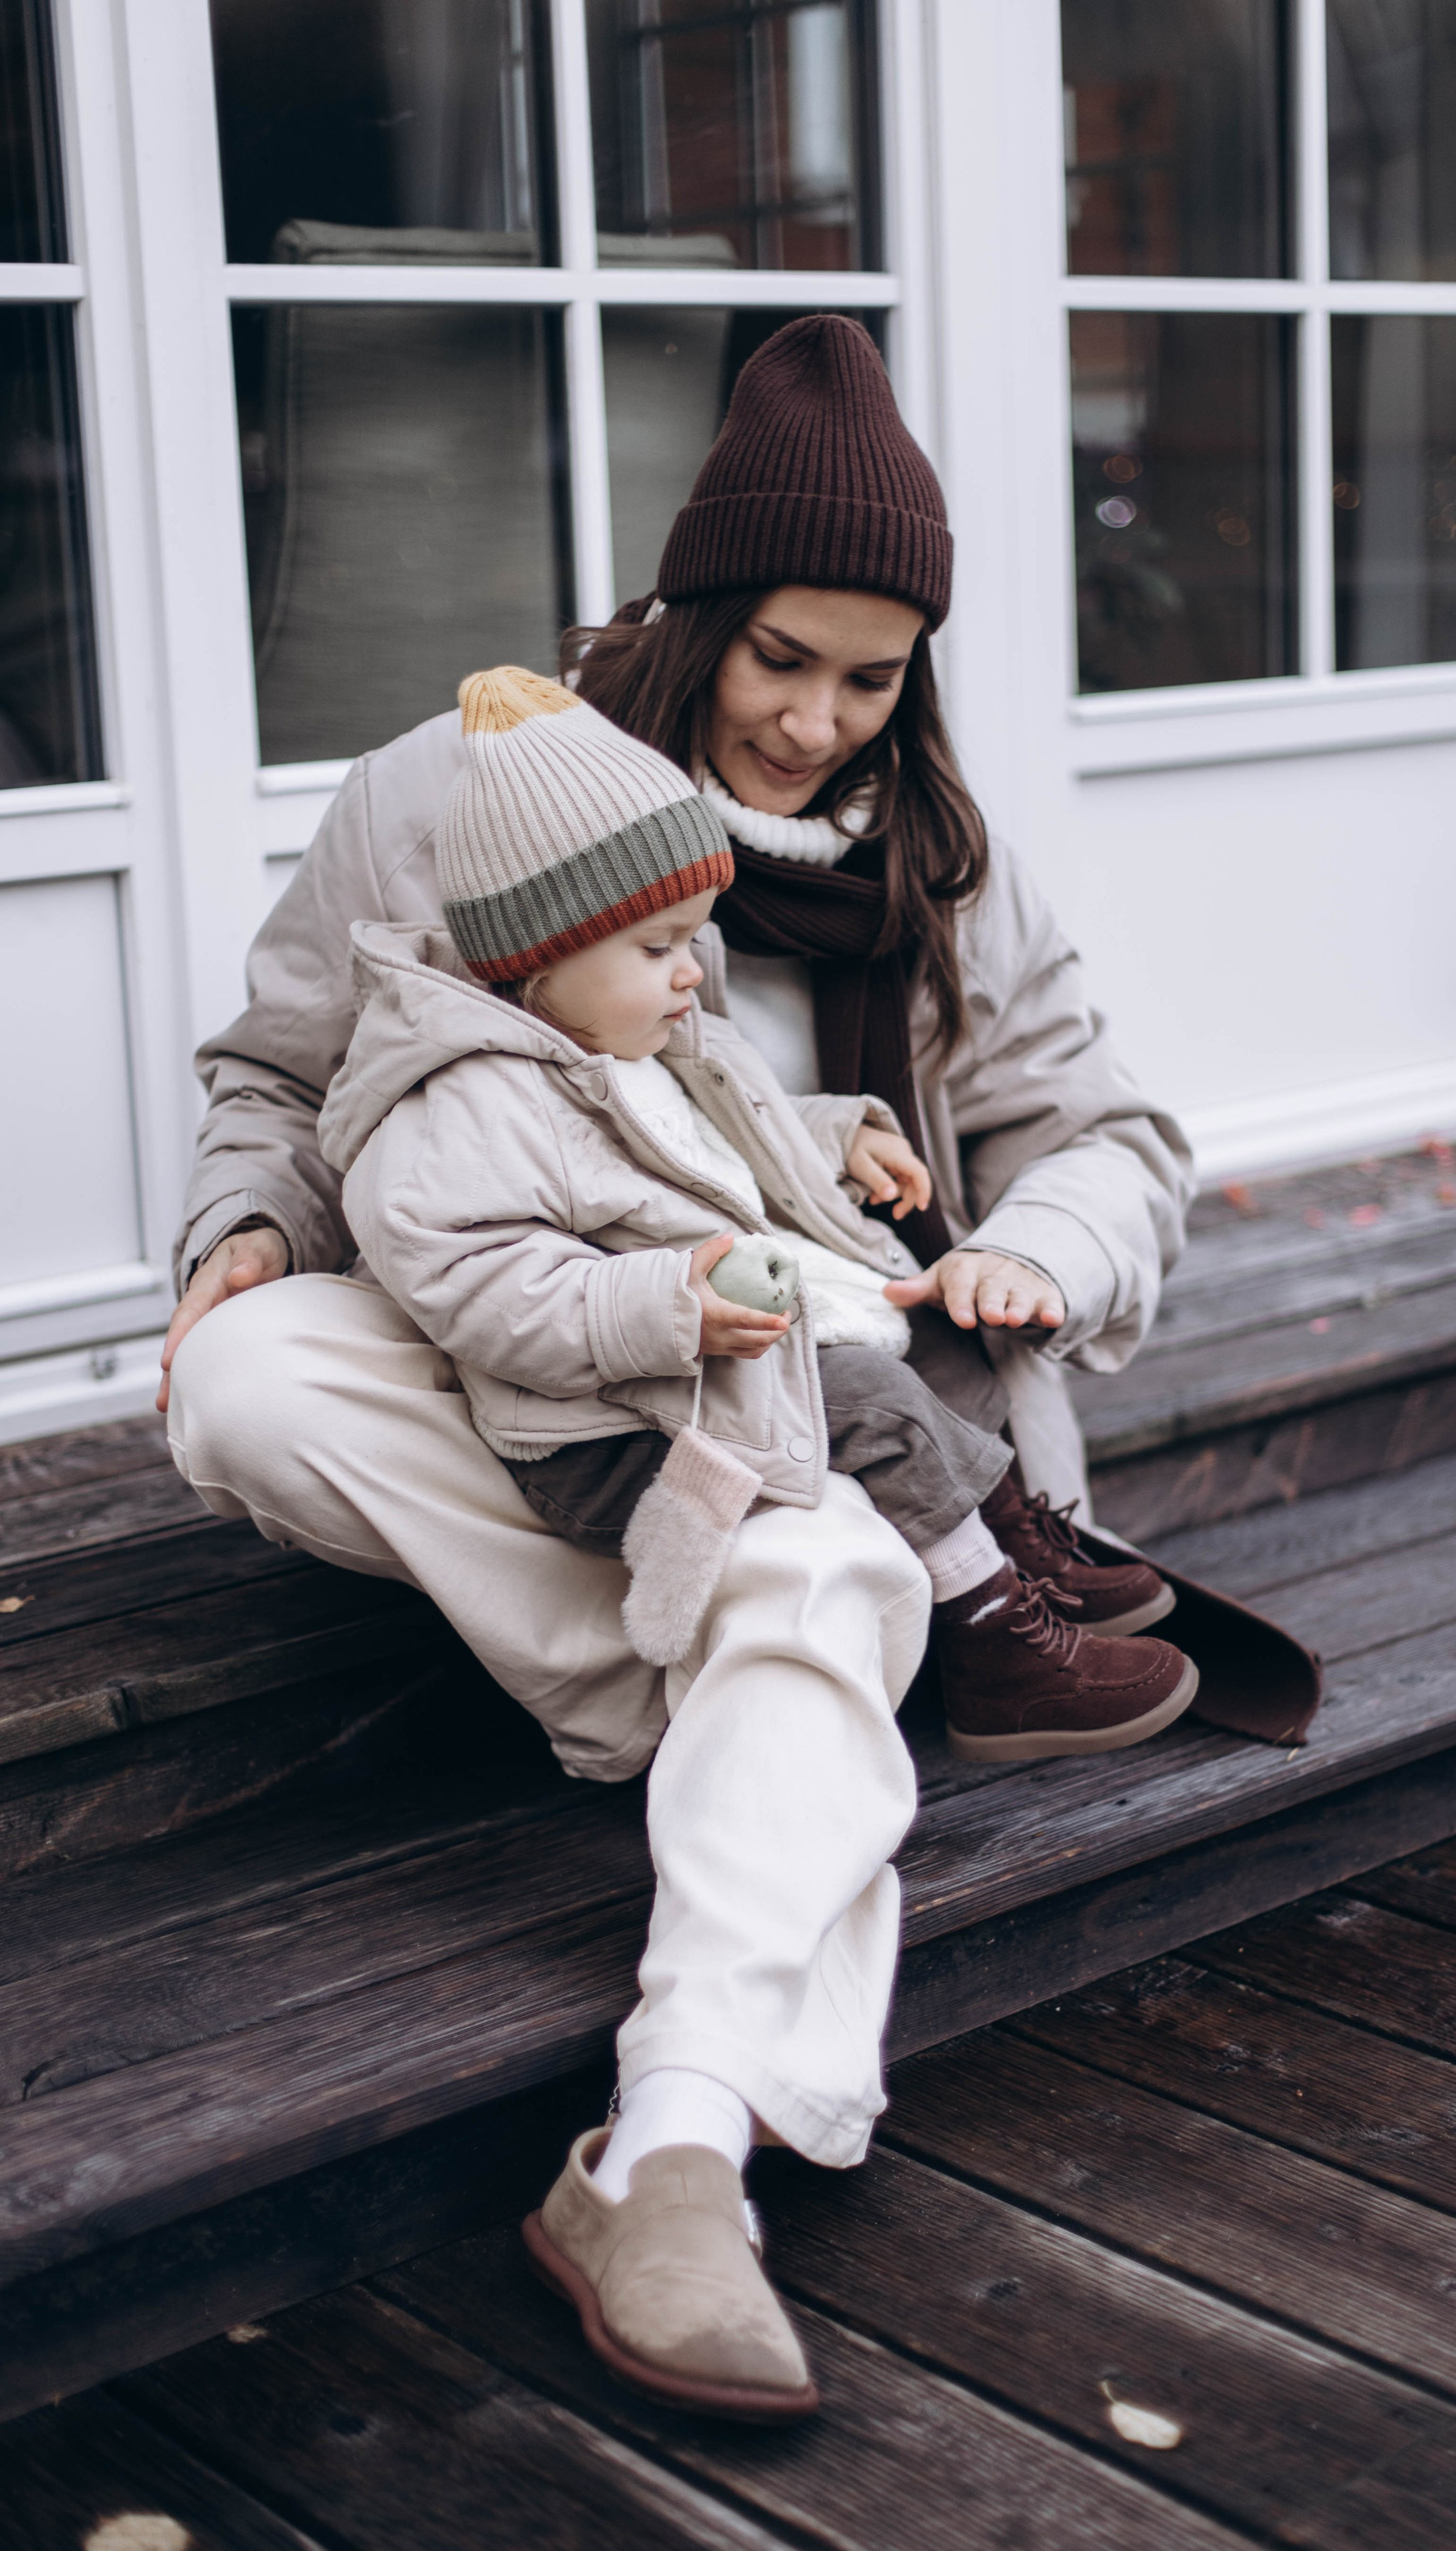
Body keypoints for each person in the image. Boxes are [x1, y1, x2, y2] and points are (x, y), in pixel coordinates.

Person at [159, 316, 1194, 2422]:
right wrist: (248, 1226)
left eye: (875, 676)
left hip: (838, 1392)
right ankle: (763, 1669)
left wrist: (1018, 1250)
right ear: (696, 613)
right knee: (247, 1376)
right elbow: (276, 1072)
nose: (821, 720)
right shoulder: (463, 795)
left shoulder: (941, 868)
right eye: (781, 658)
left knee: (811, 1532)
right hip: (541, 1361)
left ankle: (675, 2148)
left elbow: (1114, 1137)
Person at [325, 660, 1200, 1768]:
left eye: (695, 939)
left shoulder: (648, 1034)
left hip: (722, 1345)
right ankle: (994, 1654)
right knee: (876, 1400)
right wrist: (664, 1304)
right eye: (657, 949)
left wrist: (841, 1137)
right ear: (536, 956)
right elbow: (479, 1284)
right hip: (614, 1418)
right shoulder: (464, 1101)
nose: (691, 973)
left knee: (937, 1329)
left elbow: (737, 1123)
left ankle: (1017, 1548)